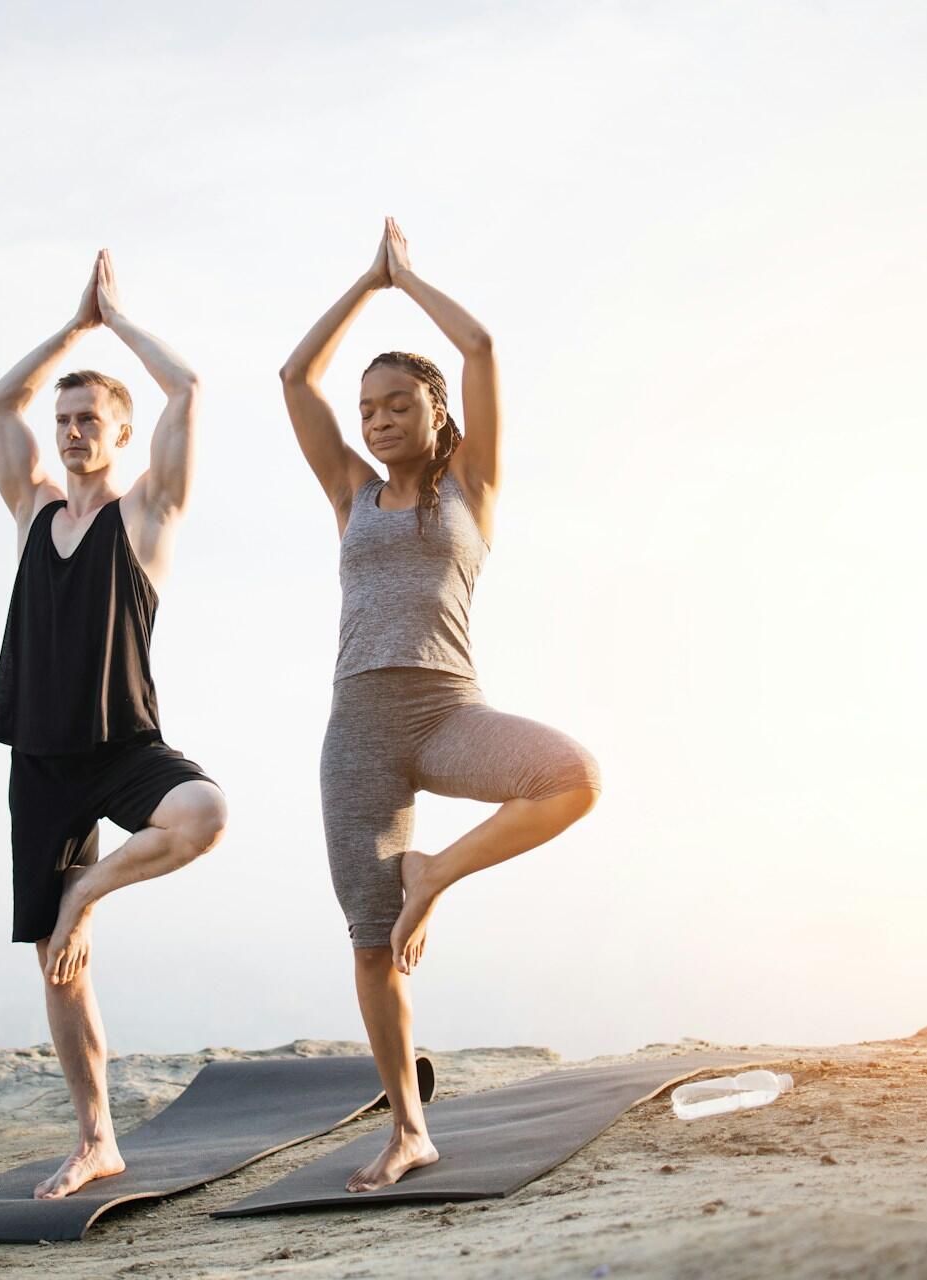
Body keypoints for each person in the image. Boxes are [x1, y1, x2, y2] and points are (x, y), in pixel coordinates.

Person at [279, 218, 602, 1192]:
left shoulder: (472, 486)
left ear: (434, 409)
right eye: (366, 407)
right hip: (359, 728)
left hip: (449, 709)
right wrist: (359, 286)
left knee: (573, 775)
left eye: (394, 404)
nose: (375, 420)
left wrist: (407, 281)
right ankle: (409, 1127)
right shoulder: (349, 491)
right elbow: (295, 381)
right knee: (372, 943)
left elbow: (483, 348)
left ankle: (438, 873)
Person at [0, 249, 229, 1198]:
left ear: (123, 435)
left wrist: (116, 323)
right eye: (68, 419)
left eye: (92, 420)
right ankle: (96, 1138)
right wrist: (69, 331)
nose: (74, 430)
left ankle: (87, 893)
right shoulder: (34, 509)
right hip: (42, 758)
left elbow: (189, 386)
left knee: (203, 815)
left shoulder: (148, 514)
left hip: (123, 744)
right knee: (56, 967)